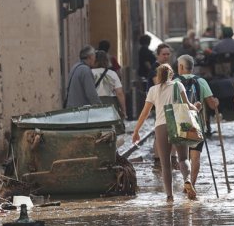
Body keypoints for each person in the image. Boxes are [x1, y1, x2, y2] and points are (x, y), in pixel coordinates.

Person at [131, 64, 194, 202]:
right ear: (172, 74)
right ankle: (187, 180)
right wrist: (198, 108)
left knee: (165, 164)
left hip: (161, 126)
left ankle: (170, 196)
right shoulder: (178, 85)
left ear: (158, 76)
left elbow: (145, 112)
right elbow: (188, 105)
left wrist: (136, 130)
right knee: (183, 158)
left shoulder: (153, 90)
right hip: (178, 123)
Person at [175, 54, 219, 200]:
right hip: (197, 124)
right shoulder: (202, 81)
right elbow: (212, 104)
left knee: (183, 157)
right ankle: (192, 184)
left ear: (181, 67)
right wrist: (216, 102)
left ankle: (185, 182)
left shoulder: (174, 82)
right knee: (195, 156)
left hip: (179, 125)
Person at [92, 50, 126, 118]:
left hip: (93, 104)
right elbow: (119, 93)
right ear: (107, 60)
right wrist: (123, 110)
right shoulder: (112, 74)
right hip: (110, 104)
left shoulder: (89, 73)